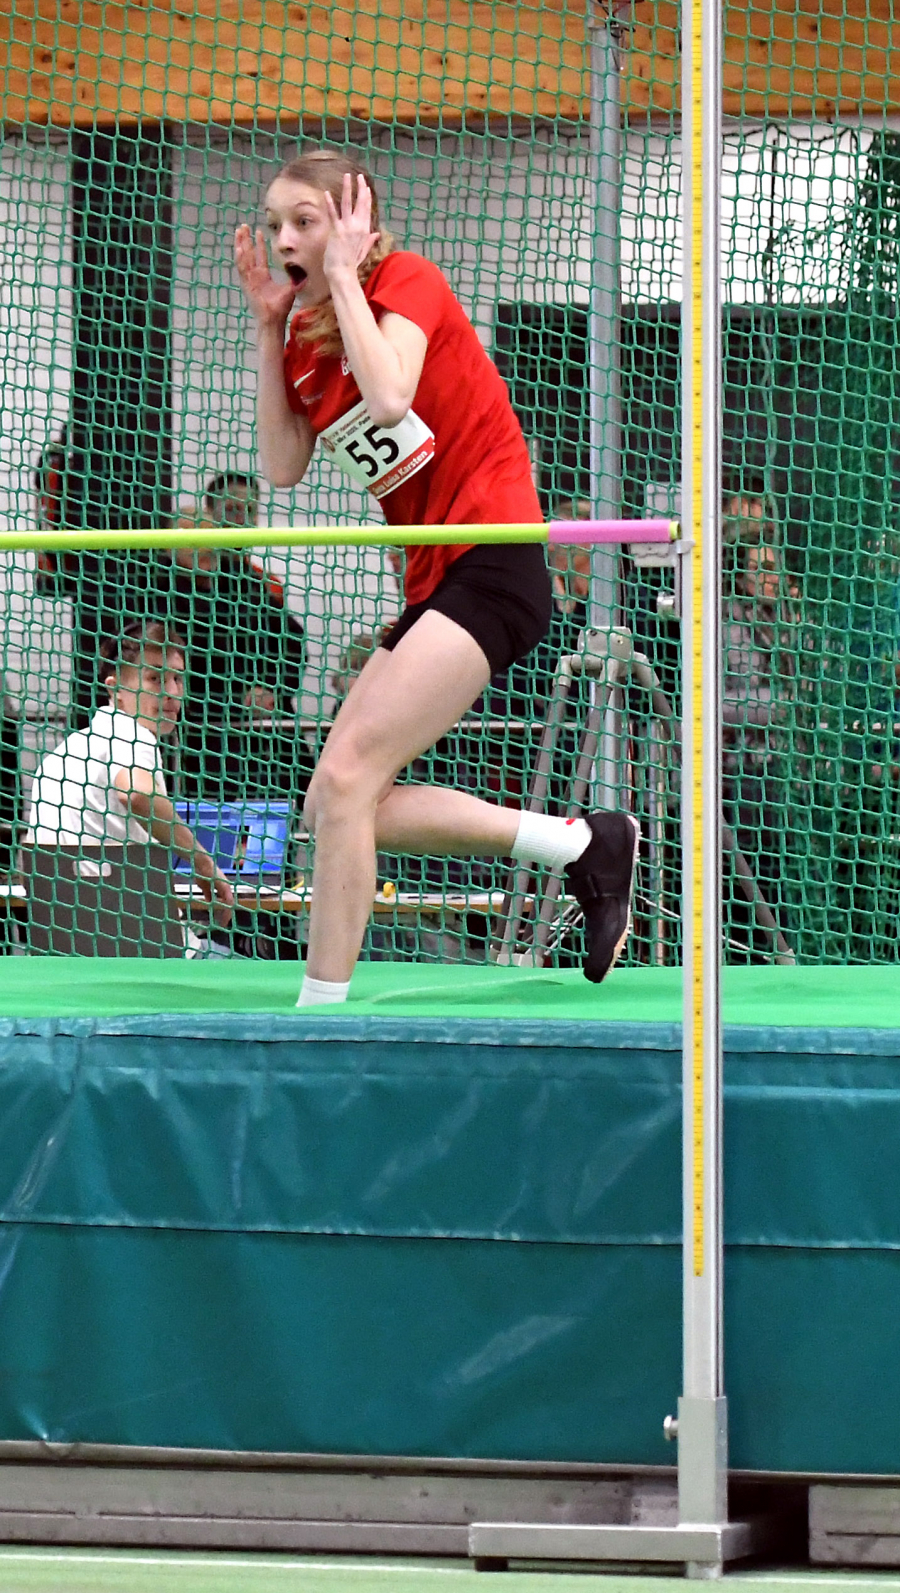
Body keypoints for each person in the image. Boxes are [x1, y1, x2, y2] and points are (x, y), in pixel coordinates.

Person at [235, 146, 638, 1005]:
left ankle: (320, 1011)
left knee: (345, 781)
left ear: (356, 221)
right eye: (275, 224)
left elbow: (388, 397)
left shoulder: (408, 282)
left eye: (304, 221)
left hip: (495, 560)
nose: (284, 240)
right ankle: (580, 845)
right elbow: (280, 466)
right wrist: (270, 329)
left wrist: (344, 275)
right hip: (431, 583)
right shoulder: (307, 343)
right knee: (335, 806)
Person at [25, 619, 234, 952]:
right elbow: (137, 793)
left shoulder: (61, 755)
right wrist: (204, 864)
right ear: (115, 690)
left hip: (64, 953)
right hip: (145, 952)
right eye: (153, 678)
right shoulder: (130, 734)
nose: (171, 692)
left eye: (177, 678)